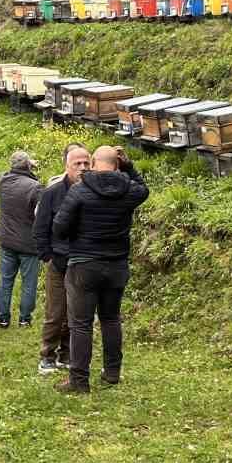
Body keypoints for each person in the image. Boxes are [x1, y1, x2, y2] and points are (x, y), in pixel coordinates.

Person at [52, 145, 149, 394]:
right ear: (116, 164)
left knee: (81, 324)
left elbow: (60, 227)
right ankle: (113, 371)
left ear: (93, 163)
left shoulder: (80, 190)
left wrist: (77, 235)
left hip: (84, 263)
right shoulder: (128, 190)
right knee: (111, 319)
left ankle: (79, 379)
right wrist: (128, 166)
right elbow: (144, 189)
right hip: (116, 263)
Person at [33, 144, 91, 374]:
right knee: (55, 313)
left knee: (75, 313)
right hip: (59, 262)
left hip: (83, 262)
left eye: (86, 163)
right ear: (67, 166)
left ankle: (66, 354)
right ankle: (47, 354)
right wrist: (48, 256)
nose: (82, 167)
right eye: (77, 163)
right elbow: (40, 229)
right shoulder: (52, 193)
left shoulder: (92, 192)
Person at [0, 150, 41, 329]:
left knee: (5, 281)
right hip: (28, 243)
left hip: (7, 240)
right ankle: (24, 319)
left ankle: (3, 319)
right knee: (28, 284)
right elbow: (41, 211)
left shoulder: (3, 181)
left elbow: (8, 173)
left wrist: (27, 164)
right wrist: (33, 171)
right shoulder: (34, 186)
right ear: (28, 165)